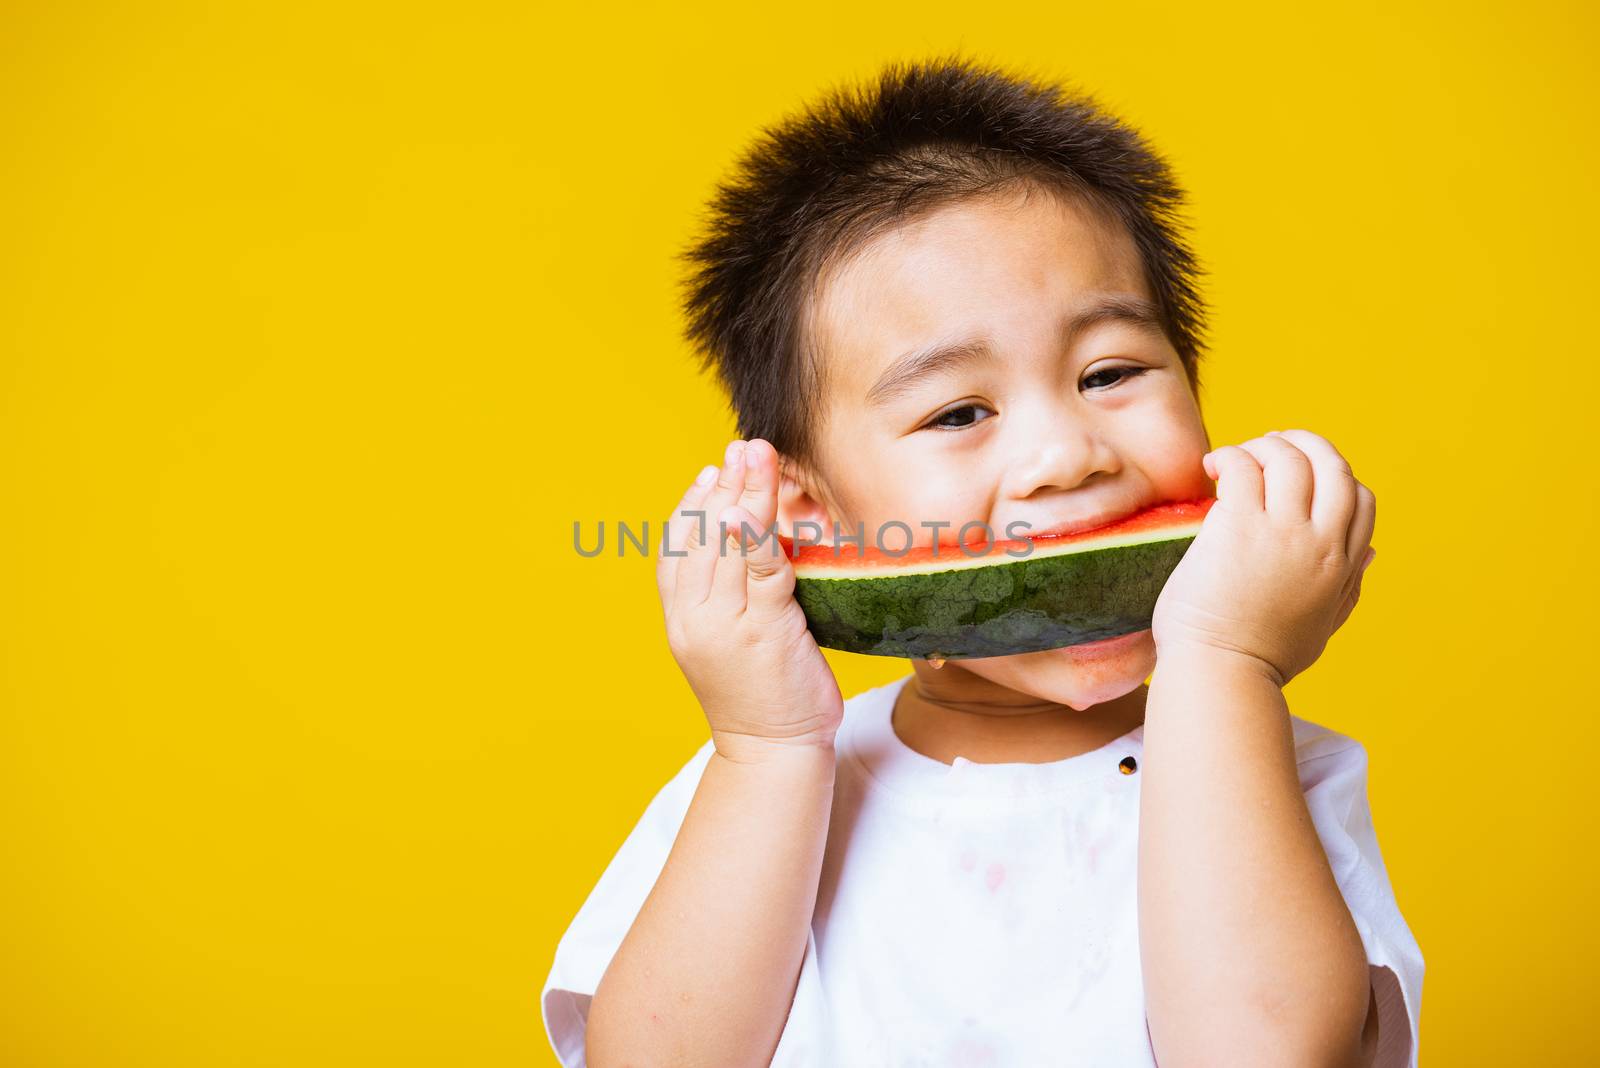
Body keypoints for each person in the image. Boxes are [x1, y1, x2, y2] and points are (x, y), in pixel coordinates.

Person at [541, 53, 1422, 1067]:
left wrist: (1224, 666)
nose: (1067, 455)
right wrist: (770, 745)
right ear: (810, 512)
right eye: (959, 410)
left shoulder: (1276, 770)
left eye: (1109, 372)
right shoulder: (754, 783)